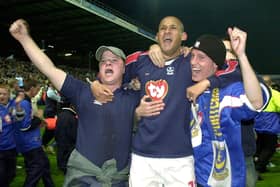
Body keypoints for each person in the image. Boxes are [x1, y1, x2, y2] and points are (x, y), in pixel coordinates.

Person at [9, 19, 140, 187]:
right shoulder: (82, 91)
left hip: (118, 179)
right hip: (83, 178)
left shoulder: (134, 96)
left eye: (114, 60)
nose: (107, 62)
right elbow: (49, 69)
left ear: (124, 68)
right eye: (103, 61)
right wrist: (24, 39)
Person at [14, 78, 55, 187]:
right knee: (37, 168)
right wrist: (39, 118)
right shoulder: (24, 103)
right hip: (29, 143)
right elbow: (24, 126)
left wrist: (38, 121)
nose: (38, 92)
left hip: (31, 142)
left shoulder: (26, 101)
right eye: (37, 89)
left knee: (44, 165)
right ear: (31, 89)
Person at [0, 84, 18, 187]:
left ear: (9, 95)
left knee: (11, 174)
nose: (1, 96)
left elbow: (20, 119)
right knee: (1, 176)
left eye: (4, 94)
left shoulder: (13, 105)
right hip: (1, 149)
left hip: (12, 147)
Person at [54, 97, 78, 174]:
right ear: (72, 105)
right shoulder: (71, 117)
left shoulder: (61, 115)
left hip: (61, 148)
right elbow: (74, 136)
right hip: (69, 152)